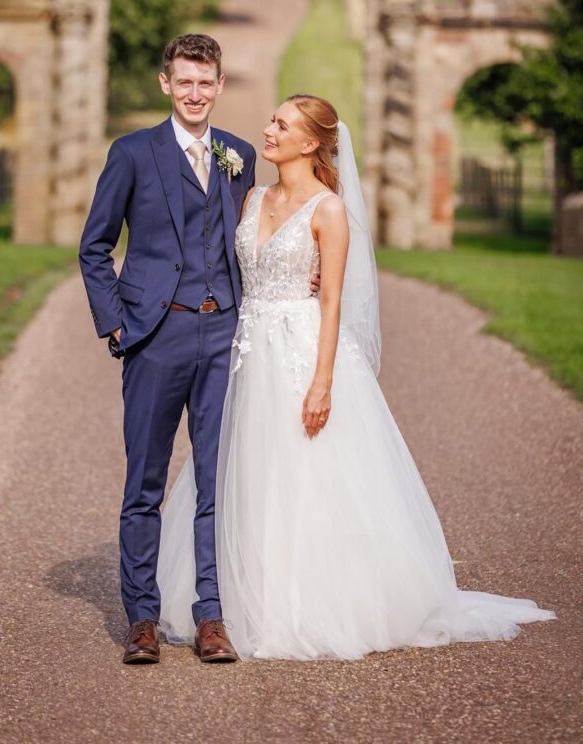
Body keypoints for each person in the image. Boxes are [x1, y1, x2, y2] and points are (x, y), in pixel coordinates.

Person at [156, 94, 556, 660]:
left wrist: (322, 383)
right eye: (272, 120)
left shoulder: (329, 210)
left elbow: (334, 303)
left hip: (300, 351)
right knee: (243, 468)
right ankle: (232, 593)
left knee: (305, 473)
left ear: (310, 143)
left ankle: (305, 603)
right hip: (247, 352)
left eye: (282, 124)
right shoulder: (251, 196)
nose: (267, 130)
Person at [79, 33, 256, 664]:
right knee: (146, 483)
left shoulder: (239, 155)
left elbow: (254, 237)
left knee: (216, 480)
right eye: (184, 81)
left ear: (220, 85)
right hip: (156, 335)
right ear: (165, 83)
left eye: (206, 82)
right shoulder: (131, 153)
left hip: (224, 336)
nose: (195, 93)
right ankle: (142, 618)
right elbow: (94, 246)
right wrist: (117, 324)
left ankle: (211, 615)